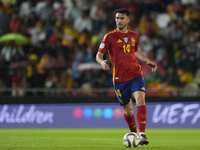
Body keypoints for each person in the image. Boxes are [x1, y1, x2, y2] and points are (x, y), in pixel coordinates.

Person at [96, 8, 157, 146]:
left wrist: (147, 60)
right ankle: (135, 134)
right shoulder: (109, 37)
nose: (119, 21)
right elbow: (99, 55)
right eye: (117, 18)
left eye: (122, 18)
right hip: (119, 80)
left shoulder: (134, 35)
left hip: (135, 75)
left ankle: (142, 134)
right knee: (128, 111)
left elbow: (135, 51)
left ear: (128, 20)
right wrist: (102, 62)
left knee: (140, 99)